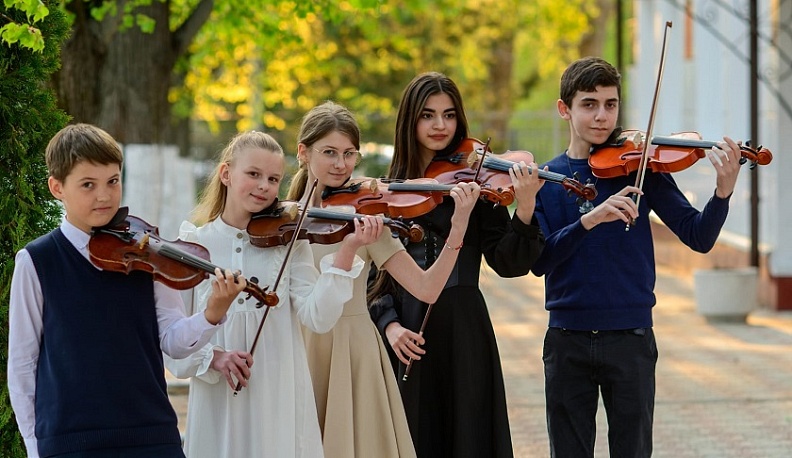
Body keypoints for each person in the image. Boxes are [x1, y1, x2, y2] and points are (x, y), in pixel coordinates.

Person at [531, 56, 743, 457]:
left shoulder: (641, 167)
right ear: (565, 109)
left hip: (631, 338)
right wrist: (589, 221)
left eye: (611, 104)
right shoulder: (549, 179)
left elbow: (698, 236)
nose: (602, 116)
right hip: (566, 340)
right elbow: (539, 261)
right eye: (589, 104)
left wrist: (723, 192)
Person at [7, 123, 247, 458]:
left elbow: (173, 343)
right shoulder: (36, 261)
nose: (104, 195)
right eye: (88, 185)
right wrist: (35, 447)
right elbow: (22, 362)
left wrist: (212, 313)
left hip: (149, 435)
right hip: (69, 442)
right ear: (57, 187)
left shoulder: (146, 253)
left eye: (113, 181)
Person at [163, 130, 377, 458]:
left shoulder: (289, 242)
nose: (265, 185)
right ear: (226, 174)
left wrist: (348, 250)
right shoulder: (195, 244)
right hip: (218, 398)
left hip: (279, 389)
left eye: (274, 178)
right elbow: (175, 343)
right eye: (253, 174)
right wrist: (215, 358)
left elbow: (318, 318)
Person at [285, 101, 479, 458]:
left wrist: (458, 226)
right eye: (329, 152)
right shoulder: (281, 219)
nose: (341, 164)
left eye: (349, 154)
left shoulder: (367, 215)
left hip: (354, 350)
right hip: (296, 349)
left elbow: (427, 288)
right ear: (303, 152)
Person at [367, 72, 546, 458]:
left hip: (465, 329)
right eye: (428, 115)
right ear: (410, 121)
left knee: (468, 437)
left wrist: (526, 208)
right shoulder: (388, 190)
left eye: (449, 115)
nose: (440, 125)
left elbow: (508, 262)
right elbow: (371, 275)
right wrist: (390, 325)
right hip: (407, 334)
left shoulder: (478, 185)